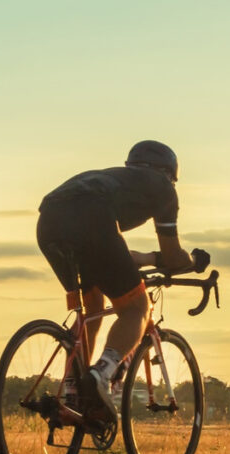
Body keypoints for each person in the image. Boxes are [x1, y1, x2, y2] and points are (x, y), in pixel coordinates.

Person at [36, 140, 203, 425]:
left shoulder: (115, 178)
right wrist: (193, 263)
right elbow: (174, 256)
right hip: (93, 222)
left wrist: (150, 258)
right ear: (170, 174)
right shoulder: (163, 190)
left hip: (50, 222)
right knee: (137, 307)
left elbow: (116, 250)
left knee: (92, 310)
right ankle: (101, 373)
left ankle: (74, 392)